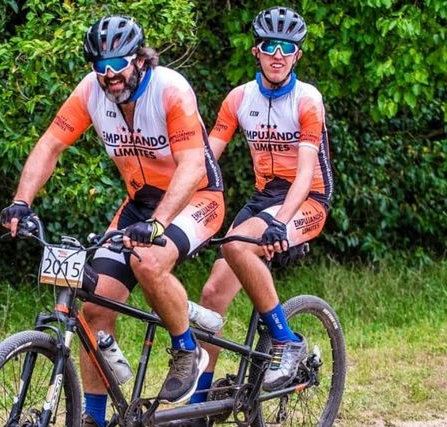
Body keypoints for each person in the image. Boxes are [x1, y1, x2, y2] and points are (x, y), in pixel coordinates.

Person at [0, 15, 226, 427]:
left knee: (148, 261)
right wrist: (21, 201)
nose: (109, 75)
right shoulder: (91, 92)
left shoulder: (170, 90)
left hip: (195, 196)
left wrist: (159, 224)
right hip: (139, 202)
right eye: (100, 66)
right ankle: (96, 418)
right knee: (95, 304)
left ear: (139, 59)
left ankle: (186, 349)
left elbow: (192, 166)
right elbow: (50, 145)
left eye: (117, 64)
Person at [187, 5, 334, 411]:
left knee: (237, 246)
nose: (278, 54)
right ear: (257, 50)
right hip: (263, 197)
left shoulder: (308, 100)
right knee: (213, 293)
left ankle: (288, 341)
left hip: (306, 199)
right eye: (270, 45)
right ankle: (199, 407)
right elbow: (204, 162)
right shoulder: (239, 99)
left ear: (297, 55)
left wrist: (281, 223)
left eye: (287, 47)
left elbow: (305, 174)